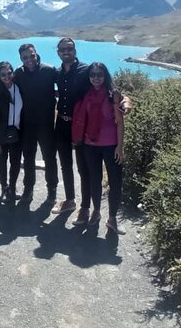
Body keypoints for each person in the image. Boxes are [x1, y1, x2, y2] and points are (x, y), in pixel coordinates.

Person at [53, 38, 133, 216]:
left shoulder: (86, 70)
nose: (66, 52)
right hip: (62, 124)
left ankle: (86, 207)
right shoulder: (56, 73)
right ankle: (70, 200)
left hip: (82, 126)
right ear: (58, 52)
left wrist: (126, 101)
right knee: (65, 164)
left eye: (69, 49)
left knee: (84, 169)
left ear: (75, 50)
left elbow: (110, 89)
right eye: (62, 49)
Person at [71, 62, 126, 235]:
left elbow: (120, 123)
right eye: (93, 74)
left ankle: (112, 218)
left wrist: (120, 146)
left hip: (110, 145)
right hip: (90, 145)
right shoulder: (86, 94)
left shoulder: (113, 95)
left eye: (99, 74)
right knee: (94, 180)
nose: (96, 78)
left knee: (115, 183)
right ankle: (96, 211)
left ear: (105, 75)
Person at [14, 43, 59, 203]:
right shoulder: (18, 73)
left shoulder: (49, 70)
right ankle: (28, 188)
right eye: (25, 57)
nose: (29, 59)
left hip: (46, 124)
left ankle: (52, 189)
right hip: (27, 124)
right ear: (21, 58)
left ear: (36, 53)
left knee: (50, 157)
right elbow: (9, 89)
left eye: (31, 55)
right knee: (28, 157)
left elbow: (67, 85)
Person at [0, 61, 23, 204]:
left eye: (9, 73)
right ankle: (4, 188)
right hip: (1, 133)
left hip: (17, 131)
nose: (7, 76)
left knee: (15, 162)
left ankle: (12, 188)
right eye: (3, 74)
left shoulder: (19, 88)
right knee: (2, 161)